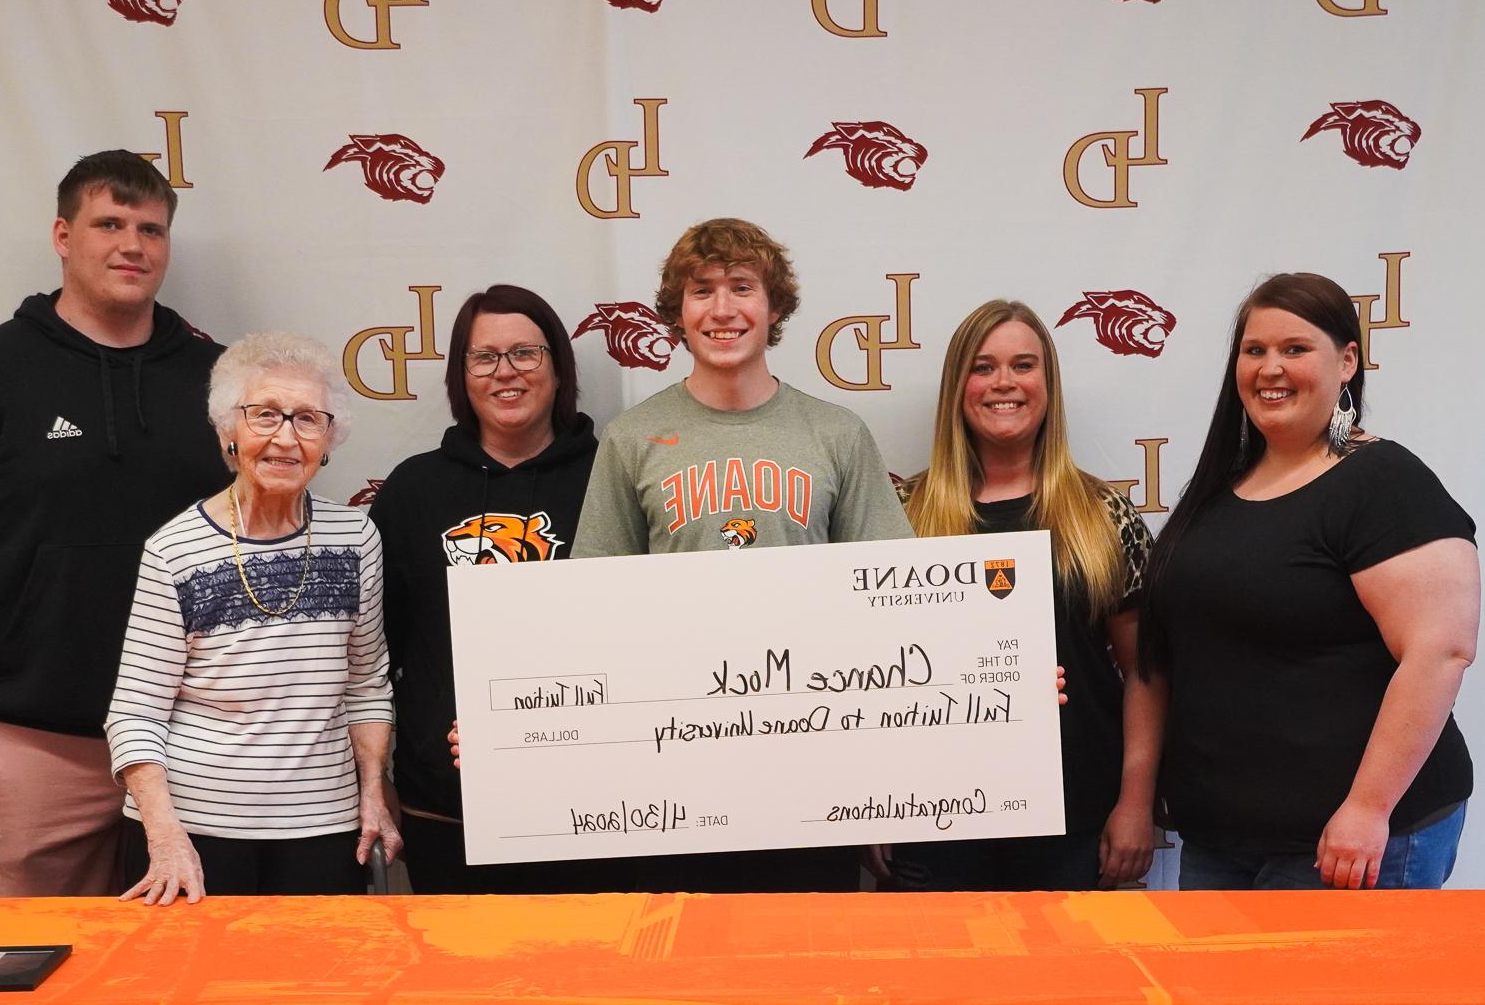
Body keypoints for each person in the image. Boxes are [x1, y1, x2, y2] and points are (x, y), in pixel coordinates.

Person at [0, 150, 223, 896]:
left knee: (191, 980)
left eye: (151, 229)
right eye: (109, 223)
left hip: (196, 738)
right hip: (36, 740)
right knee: (40, 977)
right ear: (63, 236)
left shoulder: (220, 382)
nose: (132, 245)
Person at [572, 217, 913, 893]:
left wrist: (997, 680)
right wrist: (516, 723)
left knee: (806, 974)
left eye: (742, 287)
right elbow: (589, 610)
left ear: (774, 305)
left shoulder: (835, 433)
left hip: (810, 762)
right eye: (702, 291)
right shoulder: (633, 438)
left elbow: (893, 602)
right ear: (678, 312)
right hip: (673, 772)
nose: (722, 309)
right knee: (684, 979)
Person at [1141, 272, 1478, 891]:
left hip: (1345, 847)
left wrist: (1368, 809)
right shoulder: (1221, 488)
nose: (1271, 368)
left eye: (1295, 349)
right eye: (1255, 351)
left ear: (1347, 361)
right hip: (1221, 842)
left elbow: (1440, 650)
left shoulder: (1381, 480)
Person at [105, 333, 398, 901]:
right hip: (195, 836)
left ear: (328, 439)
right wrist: (166, 839)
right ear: (227, 432)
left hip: (326, 832)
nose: (286, 437)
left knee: (315, 989)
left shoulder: (357, 537)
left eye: (308, 419)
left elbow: (366, 684)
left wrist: (372, 798)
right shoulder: (174, 550)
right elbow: (135, 713)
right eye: (265, 415)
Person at [887, 300, 1157, 891]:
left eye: (1023, 365)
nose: (1003, 383)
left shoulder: (1103, 514)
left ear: (1047, 384)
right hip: (935, 820)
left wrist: (1136, 804)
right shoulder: (904, 513)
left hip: (1076, 818)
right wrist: (871, 808)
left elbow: (1145, 672)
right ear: (957, 387)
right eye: (982, 368)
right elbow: (871, 676)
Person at [371, 286, 598, 895]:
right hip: (446, 808)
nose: (506, 372)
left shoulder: (612, 480)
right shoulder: (413, 491)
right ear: (461, 375)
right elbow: (372, 651)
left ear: (558, 367)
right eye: (484, 357)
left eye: (526, 353)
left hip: (593, 806)